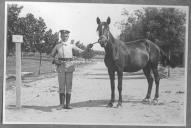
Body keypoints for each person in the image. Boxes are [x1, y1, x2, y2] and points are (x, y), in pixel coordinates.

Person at [50, 29, 92, 110]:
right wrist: (55, 60)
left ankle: (68, 104)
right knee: (61, 85)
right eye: (63, 36)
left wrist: (88, 48)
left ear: (68, 36)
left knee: (69, 85)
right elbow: (52, 55)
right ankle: (61, 104)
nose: (65, 37)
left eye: (66, 36)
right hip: (61, 67)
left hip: (70, 66)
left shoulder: (71, 45)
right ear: (60, 36)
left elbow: (82, 52)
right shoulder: (57, 46)